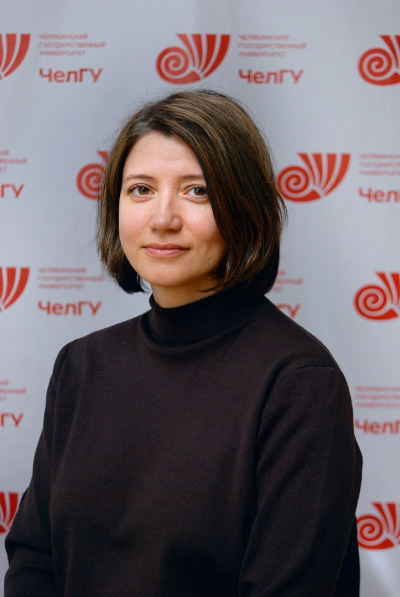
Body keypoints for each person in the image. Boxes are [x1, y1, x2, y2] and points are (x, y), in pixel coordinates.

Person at [5, 89, 362, 596]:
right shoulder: (82, 365)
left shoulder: (299, 384)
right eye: (141, 190)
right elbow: (35, 559)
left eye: (197, 191)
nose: (163, 218)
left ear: (244, 207)